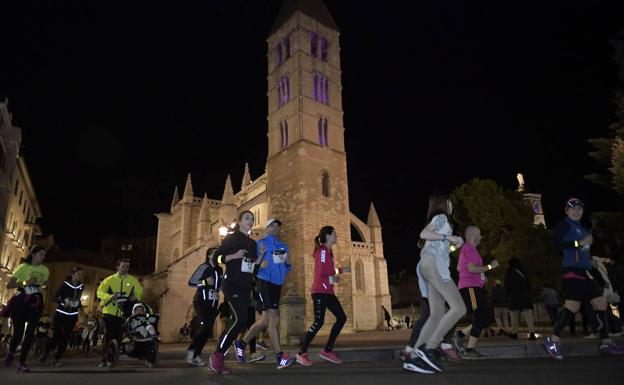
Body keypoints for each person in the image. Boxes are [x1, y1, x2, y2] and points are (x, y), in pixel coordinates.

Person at [543, 198, 624, 359]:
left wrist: (591, 259)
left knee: (598, 303)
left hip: (584, 271)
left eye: (579, 209)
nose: (576, 211)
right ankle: (553, 341)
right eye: (572, 209)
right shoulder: (564, 225)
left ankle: (606, 342)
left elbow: (581, 250)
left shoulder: (580, 227)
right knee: (573, 306)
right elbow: (557, 244)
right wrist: (578, 243)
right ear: (567, 211)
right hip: (573, 271)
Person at [404, 194, 466, 374]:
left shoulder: (441, 222)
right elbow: (424, 233)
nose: (453, 205)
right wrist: (449, 238)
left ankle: (415, 357)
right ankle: (429, 348)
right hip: (433, 267)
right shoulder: (441, 217)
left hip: (429, 266)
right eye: (451, 202)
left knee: (436, 313)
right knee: (459, 308)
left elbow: (437, 245)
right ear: (445, 203)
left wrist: (455, 244)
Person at [236, 218, 296, 369]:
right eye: (272, 226)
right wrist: (260, 262)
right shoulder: (259, 243)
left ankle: (241, 343)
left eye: (277, 226)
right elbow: (249, 264)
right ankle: (280, 357)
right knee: (274, 319)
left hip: (277, 285)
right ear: (266, 228)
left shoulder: (283, 246)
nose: (275, 228)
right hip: (265, 283)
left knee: (264, 322)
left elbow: (287, 268)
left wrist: (288, 262)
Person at [208, 210, 259, 374]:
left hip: (245, 287)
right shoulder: (232, 238)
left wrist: (261, 257)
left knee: (240, 322)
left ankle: (219, 357)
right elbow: (216, 257)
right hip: (232, 284)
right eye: (247, 218)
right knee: (239, 320)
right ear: (239, 222)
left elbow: (252, 267)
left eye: (252, 218)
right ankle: (217, 356)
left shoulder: (252, 243)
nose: (250, 221)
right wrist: (233, 256)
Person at [296, 226, 350, 366]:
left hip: (327, 292)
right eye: (334, 234)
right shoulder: (323, 251)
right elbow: (321, 272)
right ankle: (301, 353)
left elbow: (328, 272)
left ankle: (327, 350)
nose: (336, 236)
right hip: (320, 291)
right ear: (328, 236)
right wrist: (336, 275)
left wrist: (338, 274)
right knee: (319, 322)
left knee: (341, 318)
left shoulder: (328, 252)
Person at [453, 226, 498, 359]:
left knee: (488, 317)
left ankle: (460, 335)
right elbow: (472, 269)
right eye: (479, 234)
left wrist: (482, 276)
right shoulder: (469, 248)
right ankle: (469, 350)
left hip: (475, 287)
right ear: (472, 235)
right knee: (480, 314)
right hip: (470, 288)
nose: (481, 237)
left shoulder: (469, 250)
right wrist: (490, 266)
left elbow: (459, 267)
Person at [3, 245, 49, 373]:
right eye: (41, 254)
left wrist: (41, 287)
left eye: (44, 255)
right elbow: (9, 285)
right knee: (17, 334)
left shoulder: (45, 270)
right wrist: (25, 283)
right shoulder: (23, 268)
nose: (43, 257)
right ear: (33, 254)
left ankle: (22, 363)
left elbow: (44, 284)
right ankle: (11, 352)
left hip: (36, 301)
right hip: (21, 301)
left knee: (30, 333)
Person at [96, 258, 143, 367]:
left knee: (118, 336)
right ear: (117, 267)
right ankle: (103, 359)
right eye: (123, 266)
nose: (125, 268)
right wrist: (110, 296)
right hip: (109, 311)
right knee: (108, 336)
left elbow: (139, 291)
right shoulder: (109, 280)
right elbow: (99, 292)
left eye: (127, 266)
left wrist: (135, 297)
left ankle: (115, 355)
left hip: (124, 312)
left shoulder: (132, 280)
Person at [186, 247, 223, 366]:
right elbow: (191, 282)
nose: (216, 255)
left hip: (213, 303)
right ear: (208, 256)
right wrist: (205, 282)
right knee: (203, 328)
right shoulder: (204, 267)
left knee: (207, 332)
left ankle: (196, 355)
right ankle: (191, 351)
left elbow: (220, 286)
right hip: (201, 302)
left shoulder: (220, 270)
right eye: (213, 253)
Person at [40, 266, 85, 366]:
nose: (80, 276)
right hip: (61, 313)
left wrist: (81, 307)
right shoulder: (65, 285)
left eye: (81, 275)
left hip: (73, 315)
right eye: (78, 274)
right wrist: (63, 302)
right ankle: (46, 352)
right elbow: (54, 297)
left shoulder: (81, 286)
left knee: (66, 337)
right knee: (56, 335)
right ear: (73, 275)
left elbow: (78, 299)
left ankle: (57, 358)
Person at [504, 258, 536, 340]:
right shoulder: (523, 271)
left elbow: (507, 285)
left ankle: (514, 333)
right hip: (525, 297)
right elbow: (529, 284)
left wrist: (507, 297)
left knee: (514, 315)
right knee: (528, 316)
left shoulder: (509, 272)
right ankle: (532, 333)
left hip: (514, 297)